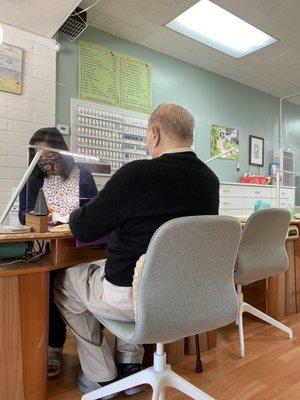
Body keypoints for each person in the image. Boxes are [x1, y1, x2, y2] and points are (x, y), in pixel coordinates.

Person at [54, 103, 219, 395]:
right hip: (181, 294)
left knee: (65, 282)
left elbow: (84, 227)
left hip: (130, 296)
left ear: (154, 134)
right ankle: (130, 365)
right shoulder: (210, 181)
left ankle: (101, 375)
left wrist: (75, 215)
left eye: (147, 135)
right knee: (136, 270)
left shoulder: (137, 173)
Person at [19, 127, 98, 377]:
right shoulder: (33, 178)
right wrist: (41, 215)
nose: (46, 165)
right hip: (46, 247)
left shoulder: (82, 175)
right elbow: (23, 214)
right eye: (40, 160)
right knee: (47, 283)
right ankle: (54, 346)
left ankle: (93, 349)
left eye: (51, 159)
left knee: (81, 284)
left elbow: (94, 213)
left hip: (78, 247)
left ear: (62, 154)